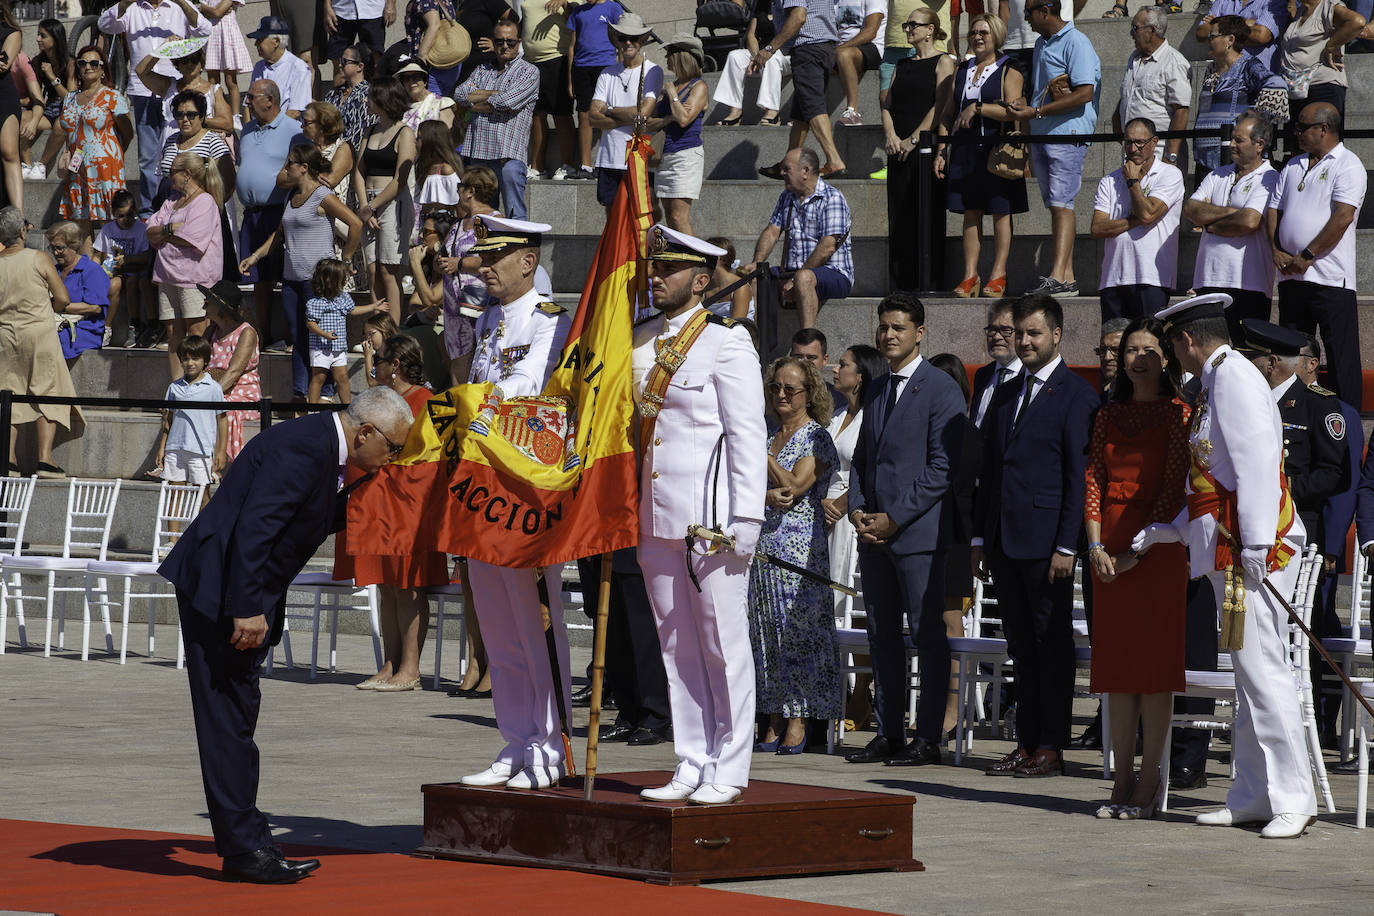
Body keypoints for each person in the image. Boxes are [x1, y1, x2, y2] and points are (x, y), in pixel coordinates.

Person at [158, 385, 413, 884]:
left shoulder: (323, 446)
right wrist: (247, 608)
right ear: (366, 432)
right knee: (227, 722)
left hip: (233, 590)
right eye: (393, 448)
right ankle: (245, 849)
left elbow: (304, 515)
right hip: (223, 593)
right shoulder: (307, 447)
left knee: (236, 718)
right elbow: (256, 528)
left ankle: (247, 843)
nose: (393, 459)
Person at [1135, 292, 1317, 840]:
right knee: (1247, 676)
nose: (1171, 355)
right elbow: (1213, 478)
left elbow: (1258, 461)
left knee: (1265, 672)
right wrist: (1172, 529)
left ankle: (1294, 797)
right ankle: (1253, 793)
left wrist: (1258, 543)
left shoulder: (1233, 377)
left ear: (1188, 340)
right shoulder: (1217, 379)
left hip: (1251, 548)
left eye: (1171, 344)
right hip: (1229, 544)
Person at [633, 225, 766, 806]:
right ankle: (691, 759)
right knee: (676, 645)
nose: (656, 276)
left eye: (670, 269)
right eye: (655, 267)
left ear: (701, 280)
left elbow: (746, 434)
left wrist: (747, 520)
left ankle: (729, 766)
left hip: (711, 523)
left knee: (722, 642)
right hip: (655, 517)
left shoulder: (725, 342)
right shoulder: (641, 340)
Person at [458, 215, 575, 792]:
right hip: (485, 482)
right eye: (482, 257)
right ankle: (515, 739)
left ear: (528, 262)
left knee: (535, 623)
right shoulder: (488, 320)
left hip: (527, 487)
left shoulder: (550, 319)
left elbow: (532, 380)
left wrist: (483, 400)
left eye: (495, 258)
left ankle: (549, 745)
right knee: (498, 624)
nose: (484, 267)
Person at [972, 293, 1098, 778]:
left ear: (1056, 335)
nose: (1024, 341)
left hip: (1048, 545)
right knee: (1020, 647)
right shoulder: (1006, 392)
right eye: (1019, 333)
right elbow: (992, 470)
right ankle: (1025, 743)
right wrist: (981, 539)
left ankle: (1050, 745)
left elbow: (1077, 478)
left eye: (1034, 333)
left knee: (1050, 646)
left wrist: (1068, 545)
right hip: (1005, 539)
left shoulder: (1076, 394)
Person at [843, 292, 965, 766]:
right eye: (883, 326)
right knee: (881, 635)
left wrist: (895, 517)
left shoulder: (940, 388)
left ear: (920, 332)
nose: (889, 335)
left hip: (917, 536)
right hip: (874, 535)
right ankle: (888, 731)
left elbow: (941, 467)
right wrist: (857, 509)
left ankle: (928, 736)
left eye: (898, 327)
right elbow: (863, 459)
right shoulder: (876, 388)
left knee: (927, 637)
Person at [1083, 317, 1189, 819]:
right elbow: (1093, 480)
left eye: (1149, 350)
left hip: (1157, 547)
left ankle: (1149, 780)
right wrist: (1096, 547)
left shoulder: (1179, 413)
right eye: (1130, 350)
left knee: (1152, 672)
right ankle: (1120, 777)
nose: (1138, 359)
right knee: (1118, 671)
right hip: (1108, 550)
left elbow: (1172, 488)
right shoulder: (1108, 412)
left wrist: (1136, 553)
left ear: (1166, 359)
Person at [1239, 320, 1349, 750]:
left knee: (1303, 631)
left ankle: (1313, 725)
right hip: (1251, 534)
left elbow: (1334, 473)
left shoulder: (1318, 406)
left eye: (1254, 358)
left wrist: (1281, 491)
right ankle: (1260, 728)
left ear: (1271, 362)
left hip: (1298, 535)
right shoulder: (1249, 402)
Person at [337, 335, 450, 692]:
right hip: (379, 511)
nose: (375, 366)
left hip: (410, 513)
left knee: (409, 588)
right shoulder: (380, 402)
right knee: (386, 588)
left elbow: (432, 462)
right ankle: (389, 664)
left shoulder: (425, 401)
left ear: (396, 365)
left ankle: (410, 668)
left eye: (380, 359)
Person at [749, 356, 841, 754]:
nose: (781, 395)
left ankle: (798, 720)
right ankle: (772, 716)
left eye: (790, 389)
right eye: (775, 388)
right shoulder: (768, 433)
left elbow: (794, 487)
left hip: (799, 553)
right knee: (765, 632)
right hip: (763, 548)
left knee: (796, 634)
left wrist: (762, 456)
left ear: (810, 393)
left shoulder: (816, 437)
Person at [1265, 101, 1366, 411]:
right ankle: (1293, 417)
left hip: (1331, 279)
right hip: (1292, 277)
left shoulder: (1348, 164)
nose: (1296, 132)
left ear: (1323, 129)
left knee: (1341, 357)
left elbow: (1343, 216)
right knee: (1291, 351)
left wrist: (1307, 254)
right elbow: (1273, 209)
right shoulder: (1293, 165)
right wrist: (1276, 249)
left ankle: (1346, 422)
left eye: (1302, 127)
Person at [241, 144, 361, 400]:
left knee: (320, 337)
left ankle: (325, 392)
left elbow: (355, 223)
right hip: (292, 278)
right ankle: (300, 392)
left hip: (318, 281)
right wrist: (255, 256)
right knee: (296, 337)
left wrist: (347, 259)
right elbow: (279, 234)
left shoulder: (322, 195)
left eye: (290, 164)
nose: (285, 169)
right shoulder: (291, 196)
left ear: (304, 167)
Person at [1007, 0, 1100, 298]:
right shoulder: (1040, 44)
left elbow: (1085, 93)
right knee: (1056, 205)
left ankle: (1058, 276)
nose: (1026, 19)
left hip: (1067, 134)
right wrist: (1028, 109)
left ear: (1045, 11)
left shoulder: (1077, 41)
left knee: (1062, 204)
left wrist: (1036, 112)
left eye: (1029, 13)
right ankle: (1066, 278)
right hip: (1043, 133)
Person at [934, 12, 1026, 299]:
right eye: (973, 32)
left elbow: (1014, 111)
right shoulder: (962, 69)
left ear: (996, 36)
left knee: (1000, 212)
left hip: (996, 148)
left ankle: (998, 274)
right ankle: (970, 275)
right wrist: (941, 150)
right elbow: (948, 113)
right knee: (970, 212)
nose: (977, 37)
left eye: (983, 32)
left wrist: (978, 108)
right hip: (964, 149)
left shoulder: (1009, 68)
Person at [97, 0, 209, 216]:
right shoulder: (132, 8)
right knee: (148, 156)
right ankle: (150, 210)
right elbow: (105, 25)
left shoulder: (179, 6)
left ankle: (181, 202)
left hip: (176, 87)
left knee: (180, 151)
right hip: (143, 88)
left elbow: (205, 29)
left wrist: (182, 2)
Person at [825, 342, 885, 729]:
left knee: (854, 606)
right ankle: (837, 693)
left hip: (851, 515)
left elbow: (868, 468)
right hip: (825, 514)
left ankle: (862, 694)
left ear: (860, 375)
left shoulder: (871, 416)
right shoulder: (836, 414)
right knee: (830, 606)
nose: (835, 368)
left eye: (843, 364)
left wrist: (842, 503)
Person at [0, 206, 82, 478]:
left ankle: (8, 459)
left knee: (8, 393)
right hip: (39, 332)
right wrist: (46, 307)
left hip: (5, 335)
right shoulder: (38, 258)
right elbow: (63, 299)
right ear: (22, 232)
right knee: (49, 390)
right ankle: (45, 460)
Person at [1186, 109, 1280, 341]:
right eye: (1232, 139)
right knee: (1208, 350)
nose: (1231, 145)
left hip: (1248, 283)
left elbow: (1249, 222)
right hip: (1208, 279)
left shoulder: (1269, 178)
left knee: (1246, 352)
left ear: (1259, 145)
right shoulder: (1217, 175)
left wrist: (1209, 221)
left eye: (1239, 140)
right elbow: (1190, 210)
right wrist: (1235, 213)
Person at [879, 8, 951, 291]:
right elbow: (887, 105)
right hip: (898, 148)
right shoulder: (902, 65)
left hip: (924, 150)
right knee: (900, 216)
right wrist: (891, 135)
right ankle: (901, 286)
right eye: (906, 25)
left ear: (930, 29)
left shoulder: (943, 61)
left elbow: (940, 105)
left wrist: (914, 139)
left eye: (913, 25)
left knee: (926, 215)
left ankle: (929, 283)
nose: (908, 29)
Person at [743, 147, 854, 329]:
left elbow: (827, 247)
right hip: (793, 271)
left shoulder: (832, 198)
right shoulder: (787, 196)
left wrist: (795, 280)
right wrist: (757, 263)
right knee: (754, 277)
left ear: (805, 171)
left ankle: (807, 340)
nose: (781, 173)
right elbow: (772, 232)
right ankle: (755, 339)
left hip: (834, 273)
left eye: (786, 169)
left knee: (804, 278)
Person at [1090, 117, 1184, 322]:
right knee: (1113, 340)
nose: (1133, 149)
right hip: (1113, 277)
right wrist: (1137, 220)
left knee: (1148, 338)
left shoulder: (1170, 174)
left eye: (1140, 142)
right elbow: (1097, 228)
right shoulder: (1109, 180)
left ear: (1154, 142)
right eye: (1128, 142)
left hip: (1151, 276)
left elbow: (1147, 213)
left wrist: (1133, 181)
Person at [237, 80, 305, 343]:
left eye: (251, 97)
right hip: (252, 213)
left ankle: (292, 335)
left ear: (270, 99)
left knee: (285, 275)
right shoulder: (247, 130)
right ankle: (262, 334)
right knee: (259, 278)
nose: (246, 102)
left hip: (280, 211)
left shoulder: (293, 130)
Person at [147, 151, 224, 380]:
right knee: (173, 333)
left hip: (195, 278)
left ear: (187, 174)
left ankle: (197, 386)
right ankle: (176, 388)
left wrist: (164, 234)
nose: (169, 177)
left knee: (196, 332)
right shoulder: (171, 201)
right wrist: (171, 229)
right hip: (167, 275)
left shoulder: (205, 202)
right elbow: (150, 232)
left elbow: (192, 238)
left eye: (172, 172)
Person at [454, 19, 540, 220]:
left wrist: (476, 100)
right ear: (493, 42)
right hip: (479, 155)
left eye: (510, 42)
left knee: (514, 218)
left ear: (519, 42)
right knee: (481, 218)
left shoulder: (528, 71)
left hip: (507, 158)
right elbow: (459, 94)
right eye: (500, 41)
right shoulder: (482, 69)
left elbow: (505, 102)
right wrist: (494, 94)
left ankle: (517, 242)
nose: (505, 46)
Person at [755, 0, 846, 178]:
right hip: (823, 47)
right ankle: (789, 164)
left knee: (812, 107)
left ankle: (834, 160)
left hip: (807, 48)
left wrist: (769, 49)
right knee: (801, 113)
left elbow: (798, 16)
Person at [1191, 16, 1288, 182]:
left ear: (1230, 40)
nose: (1208, 40)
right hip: (1204, 159)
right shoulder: (1211, 69)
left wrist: (1256, 118)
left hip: (1233, 158)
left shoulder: (1248, 66)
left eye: (1212, 36)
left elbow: (1276, 84)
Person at [354, 76, 416, 323]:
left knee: (389, 270)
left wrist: (372, 207)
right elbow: (359, 171)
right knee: (372, 271)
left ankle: (393, 330)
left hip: (391, 203)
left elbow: (400, 179)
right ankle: (378, 326)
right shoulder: (369, 130)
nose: (367, 101)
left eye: (371, 97)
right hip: (368, 202)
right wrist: (364, 205)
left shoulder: (405, 132)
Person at [58, 46, 134, 240]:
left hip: (105, 167)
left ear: (102, 69)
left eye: (94, 63)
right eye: (82, 63)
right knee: (82, 225)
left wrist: (111, 154)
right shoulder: (69, 98)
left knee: (110, 221)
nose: (88, 67)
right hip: (78, 167)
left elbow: (128, 132)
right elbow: (69, 131)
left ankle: (113, 259)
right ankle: (88, 260)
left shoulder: (112, 97)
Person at [589, 13, 663, 209]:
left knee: (642, 215)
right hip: (609, 158)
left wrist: (609, 109)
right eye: (623, 38)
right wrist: (627, 117)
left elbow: (643, 114)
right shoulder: (607, 73)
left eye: (633, 38)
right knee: (612, 216)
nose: (628, 42)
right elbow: (593, 118)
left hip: (637, 157)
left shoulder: (653, 71)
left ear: (643, 40)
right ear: (616, 40)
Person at [437, 165, 499, 384]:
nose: (457, 191)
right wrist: (441, 262)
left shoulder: (494, 220)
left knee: (482, 356)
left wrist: (460, 263)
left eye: (460, 186)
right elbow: (444, 253)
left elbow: (495, 257)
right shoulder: (459, 223)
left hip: (480, 301)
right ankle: (461, 402)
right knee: (459, 359)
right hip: (454, 306)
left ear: (471, 191)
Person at [1114, 7, 1191, 172]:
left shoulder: (1174, 62)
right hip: (1132, 155)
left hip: (1159, 156)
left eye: (1135, 28)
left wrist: (1170, 157)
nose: (1131, 33)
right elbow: (1128, 96)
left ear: (1152, 30)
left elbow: (1181, 110)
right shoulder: (1134, 59)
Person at [646, 35, 708, 235]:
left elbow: (683, 119)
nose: (666, 58)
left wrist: (672, 95)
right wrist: (667, 119)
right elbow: (648, 123)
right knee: (670, 216)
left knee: (679, 218)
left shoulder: (698, 87)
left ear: (682, 56)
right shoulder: (671, 87)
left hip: (685, 157)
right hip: (664, 157)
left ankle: (691, 255)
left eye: (670, 53)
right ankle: (678, 253)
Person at [1275, 0, 1365, 135]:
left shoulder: (1328, 6)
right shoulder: (1301, 11)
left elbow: (1357, 22)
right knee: (1297, 143)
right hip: (1297, 88)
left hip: (1322, 87)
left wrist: (1331, 46)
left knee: (1321, 142)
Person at [154, 334, 227, 497]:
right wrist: (162, 447)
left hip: (201, 449)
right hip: (175, 448)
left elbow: (222, 419)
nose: (190, 363)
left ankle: (204, 517)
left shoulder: (213, 388)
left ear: (205, 360)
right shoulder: (174, 387)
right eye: (185, 359)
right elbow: (168, 420)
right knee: (175, 495)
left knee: (202, 495)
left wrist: (221, 451)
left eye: (195, 358)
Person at [134, 37, 233, 148]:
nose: (189, 64)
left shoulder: (214, 90)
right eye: (184, 60)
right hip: (172, 146)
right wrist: (163, 47)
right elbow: (141, 71)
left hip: (202, 147)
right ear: (177, 64)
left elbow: (228, 124)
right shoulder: (168, 86)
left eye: (194, 59)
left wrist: (196, 119)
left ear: (201, 62)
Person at [566, 0, 625, 180]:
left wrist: (622, 70)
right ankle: (586, 165)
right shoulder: (578, 12)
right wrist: (570, 79)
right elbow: (571, 46)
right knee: (584, 114)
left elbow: (621, 40)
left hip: (605, 66)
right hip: (581, 68)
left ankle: (605, 163)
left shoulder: (613, 8)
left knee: (603, 113)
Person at [203, 285, 260, 463]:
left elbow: (234, 371)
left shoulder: (246, 332)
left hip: (240, 393)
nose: (204, 304)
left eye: (208, 301)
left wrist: (208, 395)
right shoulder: (210, 331)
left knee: (219, 408)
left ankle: (217, 462)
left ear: (221, 307)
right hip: (214, 388)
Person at [521, 0, 577, 179]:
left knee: (561, 113)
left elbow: (577, 19)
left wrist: (565, 4)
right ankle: (537, 167)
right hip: (530, 62)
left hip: (557, 57)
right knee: (536, 114)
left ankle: (568, 165)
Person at [712, 0, 788, 128]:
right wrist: (756, 56)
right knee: (734, 56)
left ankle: (772, 111)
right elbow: (751, 35)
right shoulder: (761, 5)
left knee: (771, 59)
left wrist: (767, 53)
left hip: (784, 53)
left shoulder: (790, 3)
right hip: (761, 53)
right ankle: (735, 112)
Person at [94, 191, 155, 348]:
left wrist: (128, 260)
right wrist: (96, 271)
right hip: (114, 272)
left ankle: (134, 325)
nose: (126, 220)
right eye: (121, 216)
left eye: (129, 215)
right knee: (111, 285)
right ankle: (105, 327)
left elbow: (147, 256)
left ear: (135, 212)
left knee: (130, 282)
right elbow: (97, 255)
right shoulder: (108, 229)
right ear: (114, 213)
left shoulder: (141, 229)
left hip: (135, 270)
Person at [153, 90, 234, 206]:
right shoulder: (171, 140)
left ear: (201, 117)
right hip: (169, 207)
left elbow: (229, 184)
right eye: (179, 115)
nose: (185, 119)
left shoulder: (213, 142)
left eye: (191, 115)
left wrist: (207, 208)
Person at [19, 18, 74, 181]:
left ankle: (41, 164)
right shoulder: (38, 61)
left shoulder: (70, 63)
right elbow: (35, 94)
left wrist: (52, 77)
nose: (38, 39)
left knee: (61, 125)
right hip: (49, 108)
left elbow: (70, 99)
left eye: (43, 36)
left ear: (55, 39)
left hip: (67, 108)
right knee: (21, 118)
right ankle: (27, 164)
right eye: (38, 35)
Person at [48, 221, 110, 359]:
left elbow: (95, 308)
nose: (55, 253)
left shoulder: (91, 270)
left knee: (52, 338)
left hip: (85, 329)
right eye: (52, 248)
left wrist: (60, 307)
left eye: (60, 248)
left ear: (74, 246)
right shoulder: (54, 270)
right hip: (58, 322)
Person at [305, 259, 356, 405]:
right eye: (342, 278)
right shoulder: (316, 302)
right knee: (318, 377)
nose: (345, 280)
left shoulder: (343, 297)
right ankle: (312, 409)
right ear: (331, 281)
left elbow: (352, 310)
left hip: (338, 347)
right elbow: (310, 323)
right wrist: (324, 334)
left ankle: (347, 409)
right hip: (320, 347)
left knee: (342, 378)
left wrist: (373, 307)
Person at [247, 16, 313, 119]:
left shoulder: (299, 68)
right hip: (258, 127)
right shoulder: (259, 66)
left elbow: (295, 112)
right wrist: (247, 128)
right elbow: (247, 104)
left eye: (260, 40)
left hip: (284, 127)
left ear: (276, 41)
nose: (256, 44)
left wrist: (270, 128)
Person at [1195, 0, 1289, 70]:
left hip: (1257, 79)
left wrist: (1219, 23)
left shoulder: (1273, 1)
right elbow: (1201, 33)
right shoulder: (1223, 1)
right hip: (1224, 77)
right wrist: (1249, 23)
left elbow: (1261, 36)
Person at [833, 0, 885, 127]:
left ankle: (852, 112)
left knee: (844, 55)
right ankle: (805, 115)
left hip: (872, 47)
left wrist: (839, 49)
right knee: (811, 56)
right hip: (840, 48)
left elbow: (870, 32)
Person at [971, 300, 1021, 427]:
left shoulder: (1028, 377)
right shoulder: (983, 375)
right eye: (992, 329)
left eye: (1005, 330)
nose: (997, 337)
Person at [201, 0, 252, 116]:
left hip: (228, 35)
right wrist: (209, 10)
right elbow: (203, 13)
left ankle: (235, 115)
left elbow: (217, 12)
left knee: (230, 80)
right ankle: (218, 112)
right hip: (212, 35)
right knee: (213, 80)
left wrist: (207, 10)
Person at [324, 44, 375, 157]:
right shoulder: (333, 94)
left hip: (349, 157)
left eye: (345, 61)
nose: (340, 64)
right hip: (325, 151)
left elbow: (359, 136)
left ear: (360, 66)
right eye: (340, 60)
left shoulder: (368, 95)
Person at [323, 0, 391, 79]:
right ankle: (341, 87)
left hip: (373, 10)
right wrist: (327, 7)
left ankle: (373, 87)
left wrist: (390, 4)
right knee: (340, 64)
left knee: (375, 62)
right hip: (341, 10)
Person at [397, 57, 456, 133]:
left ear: (425, 80)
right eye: (406, 78)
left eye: (416, 76)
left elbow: (448, 136)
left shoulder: (442, 104)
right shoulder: (399, 108)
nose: (411, 81)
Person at [703, 236, 754, 320]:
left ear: (717, 257)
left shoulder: (740, 286)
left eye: (704, 254)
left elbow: (737, 323)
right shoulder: (705, 286)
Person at [1096, 317, 1129, 395]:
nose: (1107, 357)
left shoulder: (1145, 397)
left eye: (1116, 350)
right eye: (1103, 350)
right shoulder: (1097, 397)